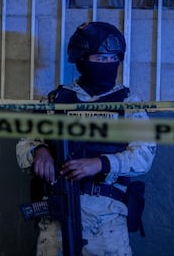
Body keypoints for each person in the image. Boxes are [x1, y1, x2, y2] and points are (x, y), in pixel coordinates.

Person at [16, 21, 156, 255]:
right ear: (81, 59)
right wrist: (39, 151)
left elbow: (144, 157)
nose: (108, 64)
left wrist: (100, 163)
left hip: (107, 219)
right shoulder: (55, 101)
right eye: (100, 59)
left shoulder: (130, 104)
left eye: (113, 59)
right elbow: (24, 146)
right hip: (58, 214)